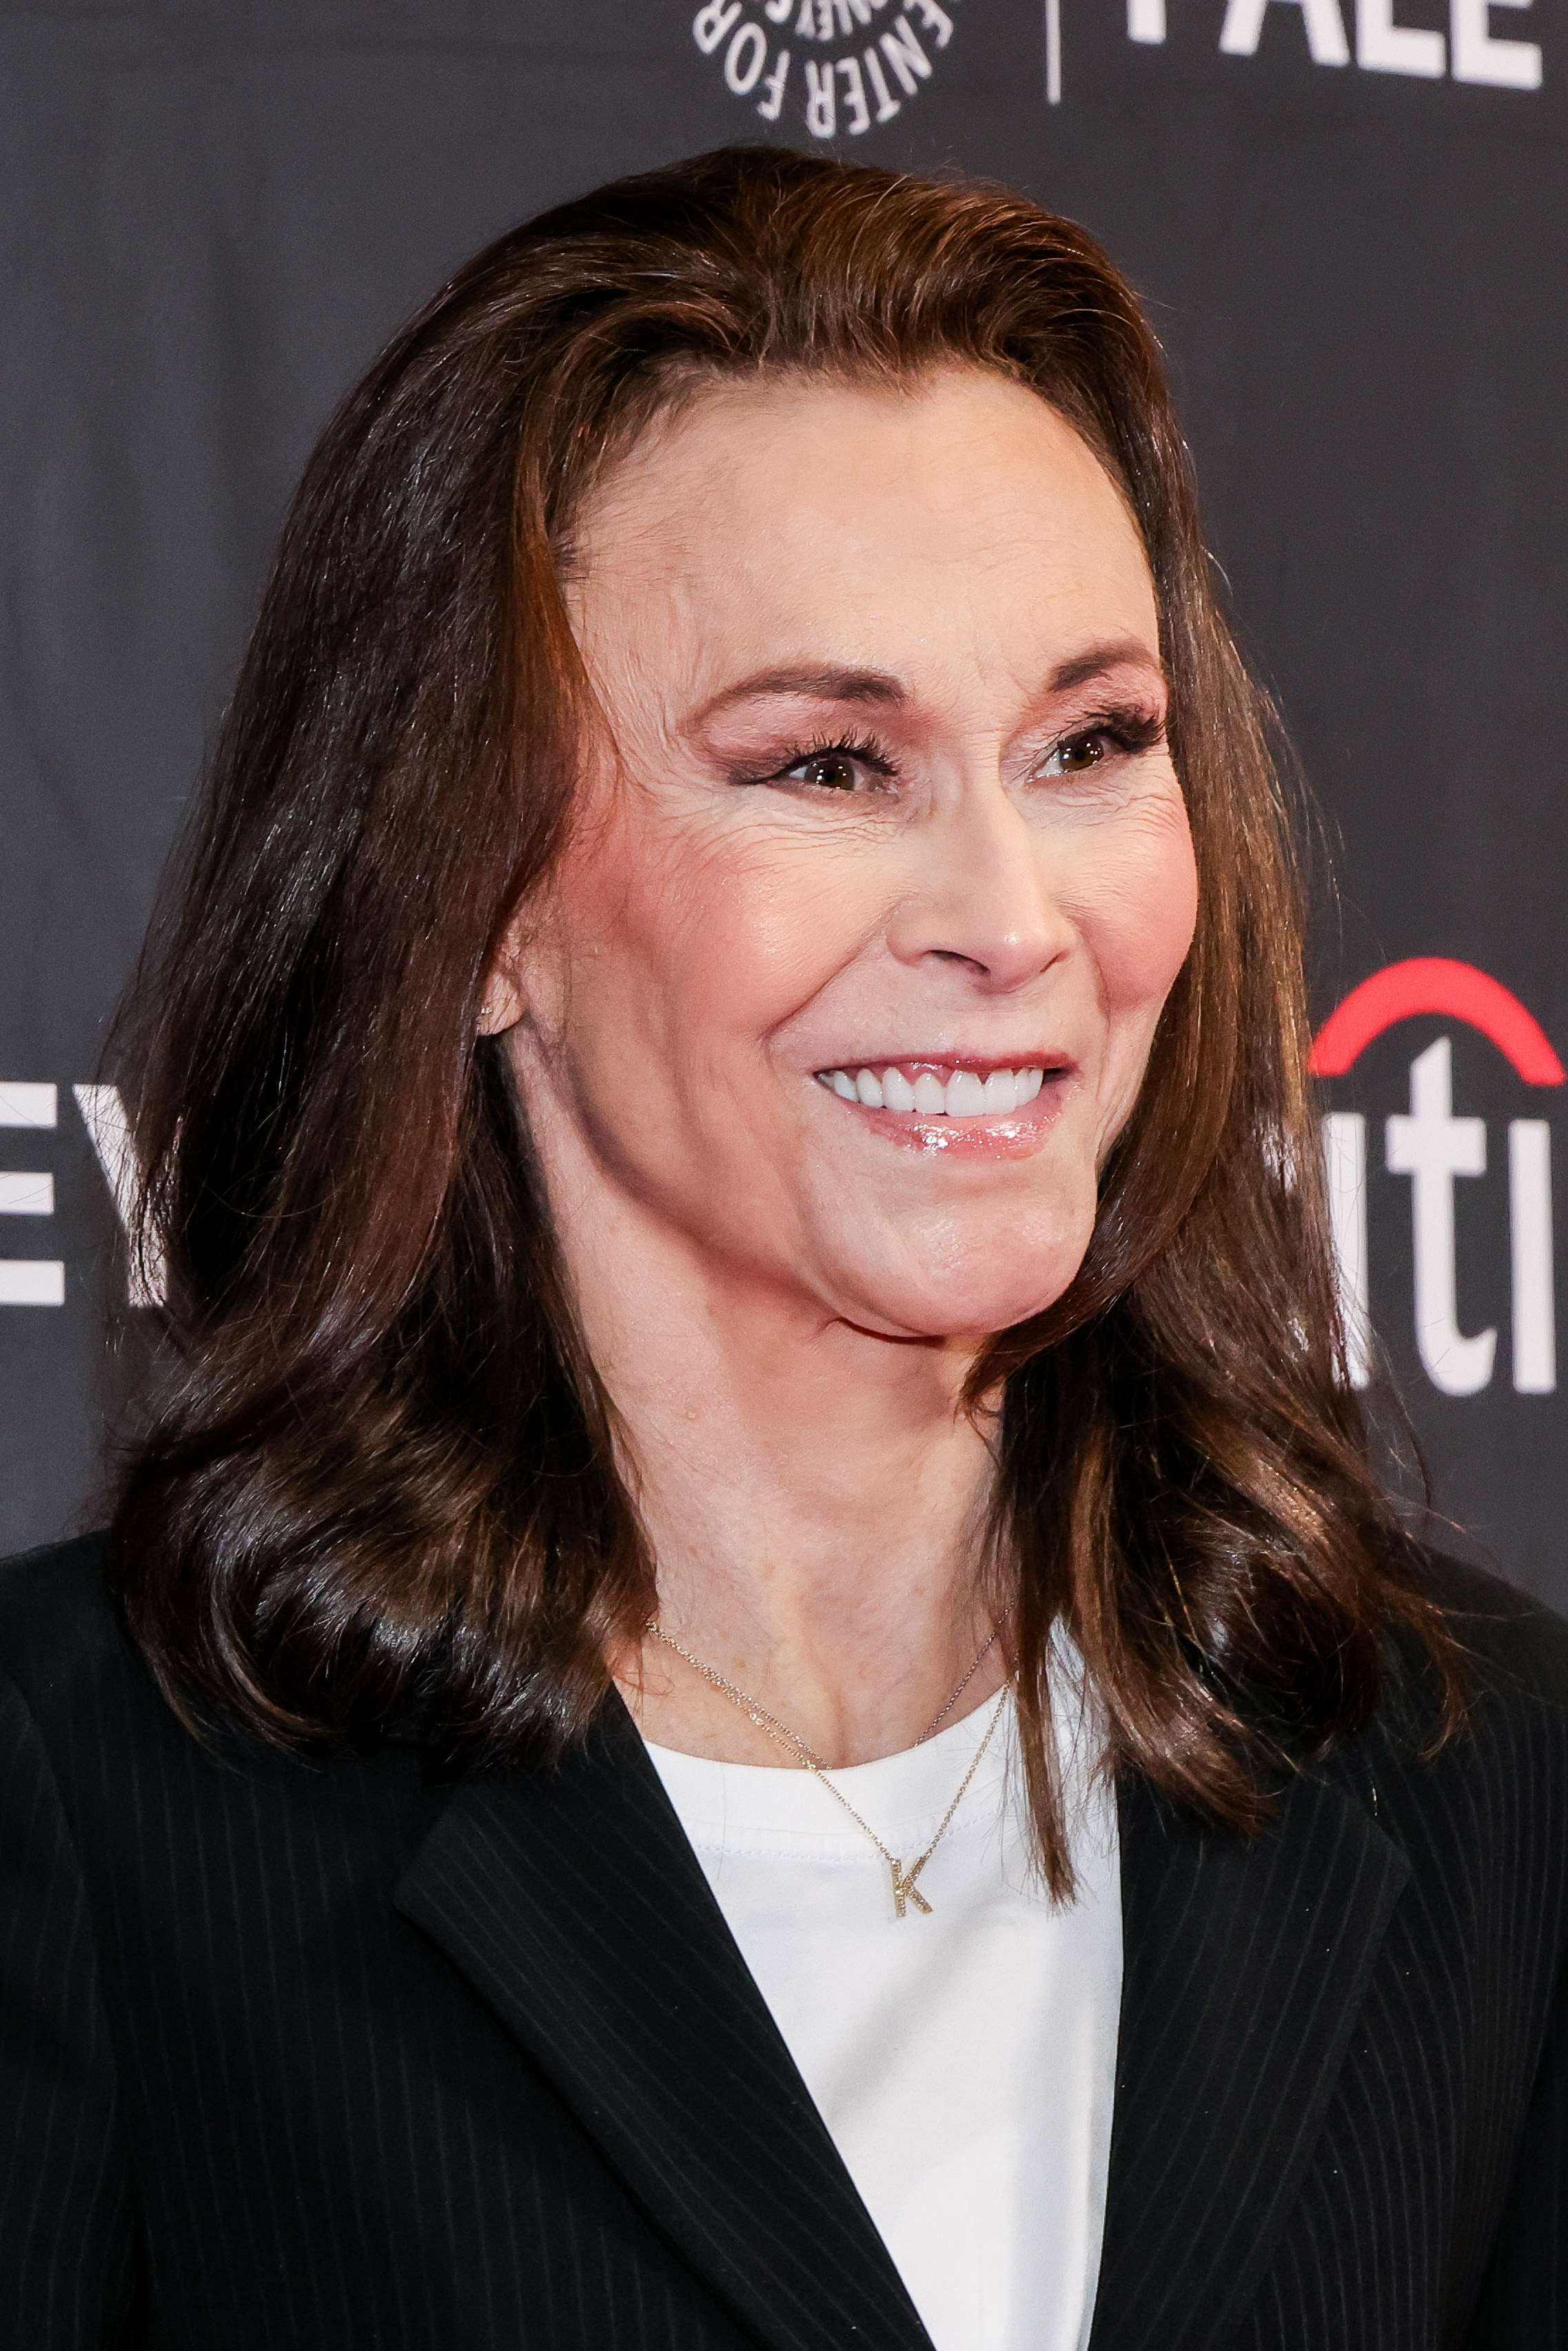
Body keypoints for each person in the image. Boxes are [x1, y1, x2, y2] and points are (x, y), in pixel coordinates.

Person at [1, 145, 1563, 2351]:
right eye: (831, 765)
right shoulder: (85, 1805)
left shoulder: (1475, 1768)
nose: (1013, 918)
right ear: (480, 905)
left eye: (1092, 743)